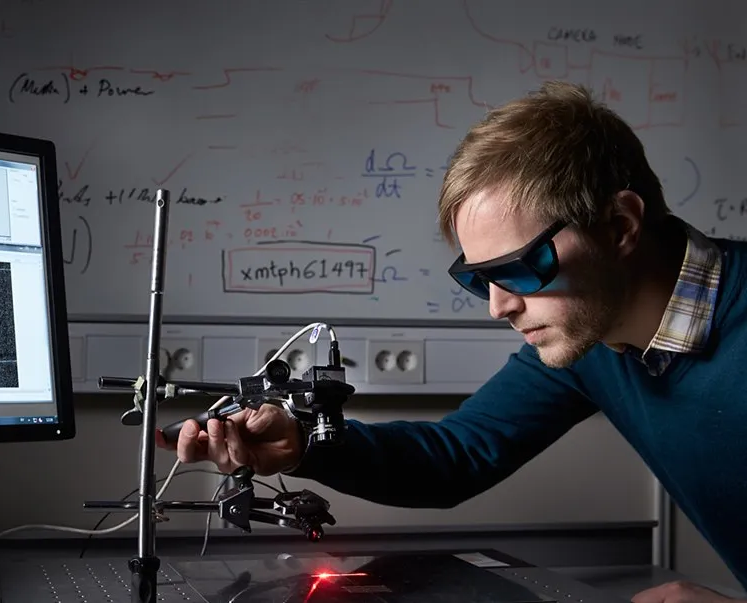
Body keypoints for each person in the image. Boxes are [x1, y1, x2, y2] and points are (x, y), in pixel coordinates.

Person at [157, 80, 747, 603]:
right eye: (477, 279)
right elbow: (458, 456)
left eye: (519, 268)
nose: (498, 306)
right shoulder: (592, 343)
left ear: (620, 226)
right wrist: (304, 446)